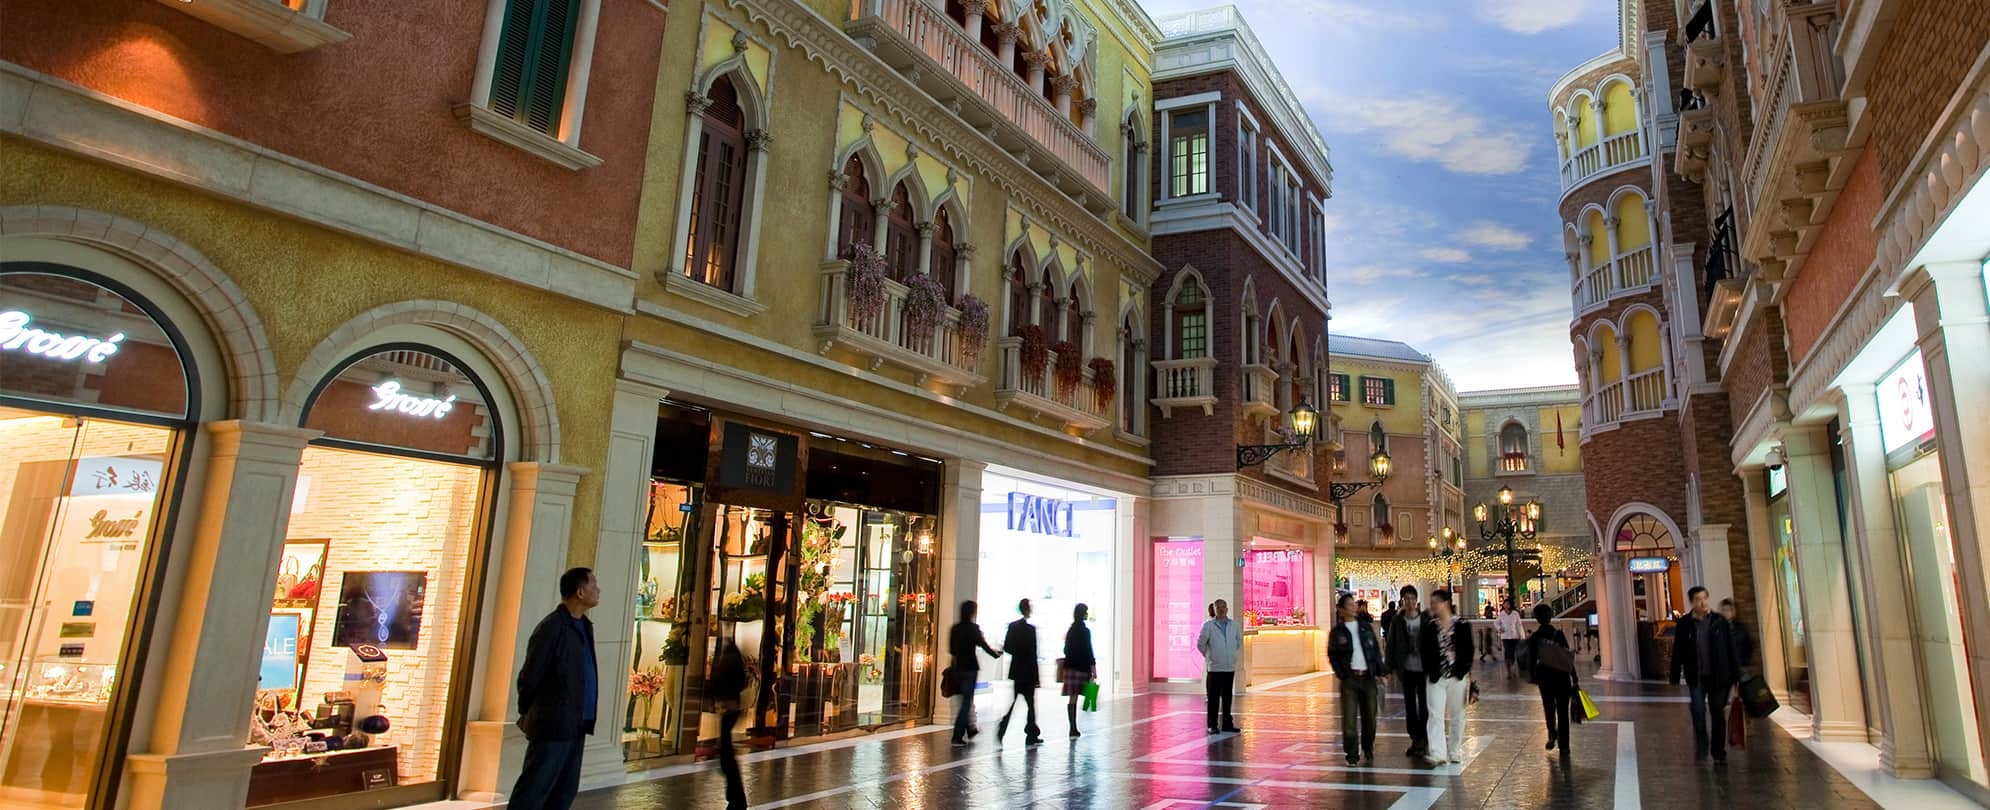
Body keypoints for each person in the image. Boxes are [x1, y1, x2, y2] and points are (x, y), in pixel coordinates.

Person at [510, 567, 602, 810]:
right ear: (580, 592)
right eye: (593, 585)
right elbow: (530, 675)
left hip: (577, 723)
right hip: (553, 723)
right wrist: (531, 712)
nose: (598, 590)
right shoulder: (552, 627)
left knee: (563, 792)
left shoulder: (584, 627)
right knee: (534, 788)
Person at [1670, 586, 1741, 763]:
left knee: (1717, 714)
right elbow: (1678, 650)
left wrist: (1736, 674)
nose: (1702, 602)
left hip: (1718, 676)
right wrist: (1674, 673)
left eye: (1704, 598)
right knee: (1698, 713)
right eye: (1698, 599)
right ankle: (1702, 748)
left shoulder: (1719, 622)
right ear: (1692, 602)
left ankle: (1718, 752)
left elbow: (1730, 649)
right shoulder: (1685, 624)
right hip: (1697, 677)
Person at [1329, 594, 1389, 765]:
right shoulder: (1337, 632)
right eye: (1349, 605)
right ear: (1341, 609)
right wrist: (1341, 673)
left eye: (1353, 604)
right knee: (1349, 720)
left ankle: (1368, 747)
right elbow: (1332, 654)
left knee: (1370, 717)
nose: (1353, 607)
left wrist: (1380, 672)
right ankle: (1352, 754)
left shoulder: (1365, 628)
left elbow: (1375, 651)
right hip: (1350, 680)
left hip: (1368, 677)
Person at [1418, 589, 1475, 766]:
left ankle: (1454, 750)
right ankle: (1438, 753)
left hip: (1457, 676)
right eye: (1432, 602)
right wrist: (1430, 670)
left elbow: (1468, 649)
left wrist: (1462, 669)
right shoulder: (1429, 626)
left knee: (1458, 714)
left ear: (1446, 603)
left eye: (1436, 602)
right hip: (1436, 676)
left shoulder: (1462, 624)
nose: (1433, 605)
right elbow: (1424, 650)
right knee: (1435, 714)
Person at [1384, 584, 1430, 759]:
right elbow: (1391, 644)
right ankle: (1415, 739)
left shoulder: (1424, 620)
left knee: (1425, 707)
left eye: (1412, 598)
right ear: (1402, 601)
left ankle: (1424, 740)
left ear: (1416, 600)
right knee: (1410, 707)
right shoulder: (1398, 620)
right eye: (1406, 599)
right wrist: (1389, 668)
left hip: (1424, 670)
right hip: (1407, 671)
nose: (1410, 602)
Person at [1526, 603, 1577, 756]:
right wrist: (1574, 677)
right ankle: (1564, 745)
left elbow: (1531, 660)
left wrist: (1533, 676)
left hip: (1545, 677)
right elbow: (1567, 657)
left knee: (1549, 707)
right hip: (1562, 676)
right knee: (1563, 711)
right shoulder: (1559, 635)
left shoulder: (1535, 638)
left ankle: (1551, 733)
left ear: (1536, 618)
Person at [949, 600, 1002, 747]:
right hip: (970, 668)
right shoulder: (973, 628)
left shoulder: (955, 629)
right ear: (972, 612)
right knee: (967, 702)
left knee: (964, 700)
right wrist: (995, 654)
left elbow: (952, 651)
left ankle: (970, 729)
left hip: (958, 668)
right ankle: (957, 736)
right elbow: (983, 645)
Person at [708, 639, 749, 809]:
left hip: (729, 709)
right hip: (732, 708)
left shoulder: (727, 663)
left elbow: (721, 684)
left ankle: (736, 797)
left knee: (727, 754)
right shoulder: (735, 663)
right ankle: (735, 796)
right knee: (726, 752)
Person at [997, 599, 1042, 745]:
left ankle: (1003, 727)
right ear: (1028, 610)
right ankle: (1031, 734)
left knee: (1015, 700)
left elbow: (1008, 647)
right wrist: (1036, 676)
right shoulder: (1031, 630)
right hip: (1028, 670)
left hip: (1017, 669)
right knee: (1030, 703)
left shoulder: (1013, 627)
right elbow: (1033, 653)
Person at [1196, 598, 1244, 734]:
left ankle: (1227, 724)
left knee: (1227, 697)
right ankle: (1212, 725)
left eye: (1224, 607)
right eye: (1219, 607)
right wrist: (1210, 656)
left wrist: (1231, 653)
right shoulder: (1208, 625)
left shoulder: (1233, 625)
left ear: (1227, 609)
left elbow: (1238, 641)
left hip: (1229, 667)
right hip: (1215, 668)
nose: (1221, 609)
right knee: (1213, 698)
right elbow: (1200, 644)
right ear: (1215, 609)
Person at [1062, 603, 1096, 738]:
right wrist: (1093, 667)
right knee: (1087, 694)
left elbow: (1066, 649)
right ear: (1083, 614)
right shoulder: (1085, 631)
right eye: (1086, 612)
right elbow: (1089, 650)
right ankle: (1075, 727)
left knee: (1073, 698)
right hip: (1082, 668)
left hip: (1070, 668)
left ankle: (1072, 727)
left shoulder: (1071, 630)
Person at [1720, 598, 1755, 673]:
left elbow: (1749, 645)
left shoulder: (1741, 628)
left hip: (1741, 667)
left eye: (1728, 610)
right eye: (1723, 610)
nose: (1726, 613)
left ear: (1733, 611)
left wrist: (1745, 662)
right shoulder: (1717, 629)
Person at [1498, 602, 1525, 678]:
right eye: (1505, 604)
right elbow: (1496, 623)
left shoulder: (1515, 613)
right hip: (1505, 637)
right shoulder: (1502, 614)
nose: (1507, 605)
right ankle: (1509, 672)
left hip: (1514, 636)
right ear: (1503, 605)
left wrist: (1522, 636)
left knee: (1513, 653)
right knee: (1507, 653)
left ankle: (1513, 669)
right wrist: (1500, 629)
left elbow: (1519, 625)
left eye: (1508, 604)